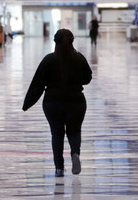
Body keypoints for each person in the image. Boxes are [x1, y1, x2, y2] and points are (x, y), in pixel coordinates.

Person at [23, 29, 93, 177]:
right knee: (74, 131)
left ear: (55, 42)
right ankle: (75, 153)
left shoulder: (49, 59)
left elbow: (38, 84)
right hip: (76, 102)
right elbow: (87, 78)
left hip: (52, 103)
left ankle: (59, 168)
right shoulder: (79, 58)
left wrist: (27, 103)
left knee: (57, 134)